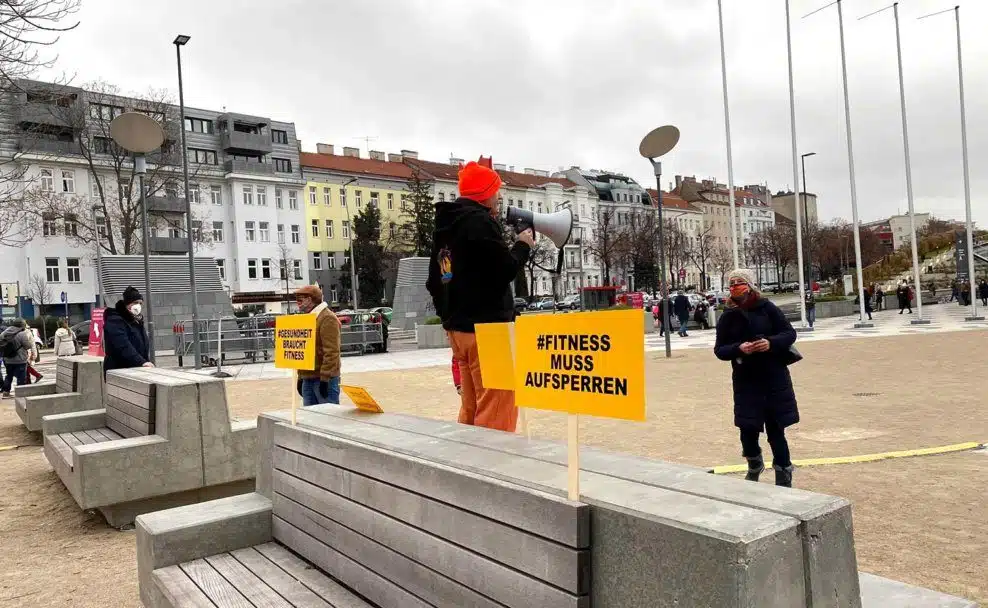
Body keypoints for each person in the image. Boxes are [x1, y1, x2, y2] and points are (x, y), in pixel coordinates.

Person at [426, 157, 533, 433]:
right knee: (498, 405)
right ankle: (491, 466)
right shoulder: (479, 223)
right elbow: (503, 270)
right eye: (496, 191)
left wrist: (449, 316)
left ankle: (465, 460)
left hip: (459, 331)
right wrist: (522, 246)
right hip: (488, 331)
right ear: (486, 194)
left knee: (471, 406)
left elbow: (434, 281)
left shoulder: (446, 226)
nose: (499, 198)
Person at [714, 269, 799, 488]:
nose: (735, 287)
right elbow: (720, 350)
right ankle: (754, 463)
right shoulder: (728, 314)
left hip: (773, 377)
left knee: (776, 430)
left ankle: (784, 473)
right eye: (731, 284)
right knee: (747, 430)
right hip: (746, 380)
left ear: (750, 285)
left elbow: (789, 333)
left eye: (739, 282)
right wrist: (739, 348)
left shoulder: (766, 307)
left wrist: (770, 343)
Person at [294, 285, 342, 406]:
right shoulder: (308, 318)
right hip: (308, 378)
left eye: (300, 300)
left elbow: (332, 352)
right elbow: (303, 349)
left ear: (310, 299)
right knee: (310, 418)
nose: (297, 303)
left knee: (328, 418)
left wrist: (325, 378)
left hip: (323, 379)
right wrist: (301, 376)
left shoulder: (327, 318)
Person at [103, 286, 153, 373]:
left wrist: (145, 362)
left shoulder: (136, 321)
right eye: (135, 302)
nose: (138, 306)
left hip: (136, 369)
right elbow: (123, 346)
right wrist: (141, 362)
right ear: (127, 304)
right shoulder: (115, 320)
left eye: (140, 303)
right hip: (119, 370)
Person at [1, 318, 36, 398]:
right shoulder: (22, 333)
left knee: (8, 375)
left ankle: (6, 392)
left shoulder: (5, 333)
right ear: (22, 325)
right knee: (21, 377)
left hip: (7, 359)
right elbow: (27, 346)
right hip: (20, 359)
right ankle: (20, 393)